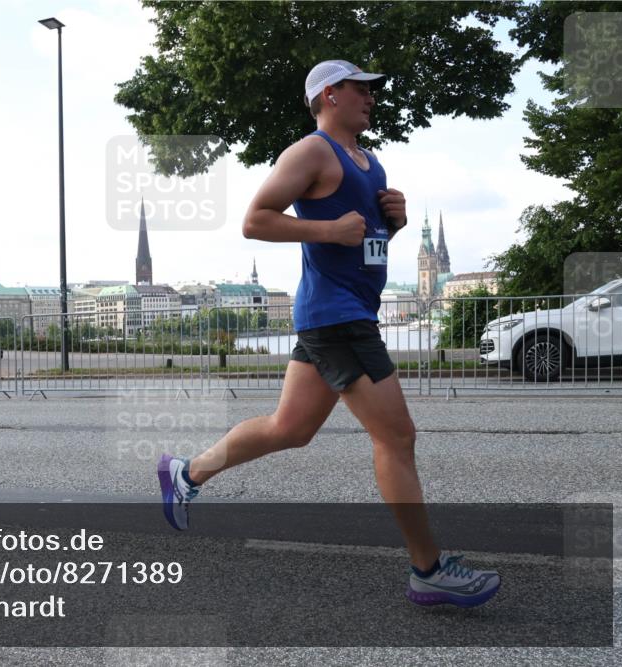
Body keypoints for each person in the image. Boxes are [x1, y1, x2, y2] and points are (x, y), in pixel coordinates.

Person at [156, 60, 500, 608]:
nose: (370, 96)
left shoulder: (372, 162)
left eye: (371, 88)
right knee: (397, 438)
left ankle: (186, 471)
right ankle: (428, 570)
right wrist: (327, 230)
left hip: (343, 313)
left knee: (289, 428)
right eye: (360, 88)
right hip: (337, 317)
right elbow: (256, 220)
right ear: (329, 95)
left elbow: (367, 240)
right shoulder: (312, 151)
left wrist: (396, 222)